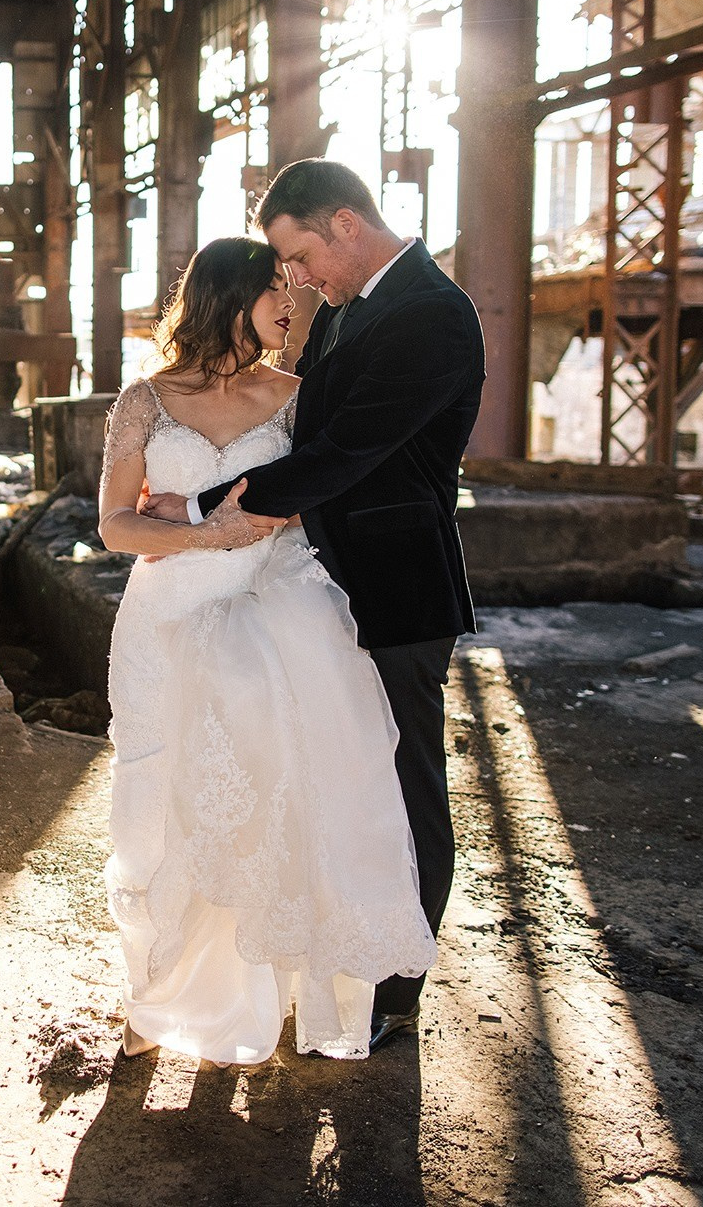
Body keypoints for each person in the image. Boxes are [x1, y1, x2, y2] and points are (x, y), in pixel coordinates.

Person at [139, 159, 486, 1054]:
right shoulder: (344, 310)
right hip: (322, 581)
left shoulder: (432, 315)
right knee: (338, 776)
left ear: (344, 224)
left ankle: (398, 985)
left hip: (398, 588)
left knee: (404, 783)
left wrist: (209, 502)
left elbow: (344, 452)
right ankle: (333, 955)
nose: (298, 279)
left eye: (301, 255)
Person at [97, 235, 437, 1065]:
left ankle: (262, 996)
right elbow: (114, 527)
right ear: (227, 294)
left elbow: (318, 492)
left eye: (296, 284)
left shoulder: (299, 396)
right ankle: (159, 996)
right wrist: (208, 533)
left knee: (272, 799)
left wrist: (233, 527)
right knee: (164, 805)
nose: (294, 302)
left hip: (273, 616)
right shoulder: (142, 401)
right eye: (277, 288)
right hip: (166, 621)